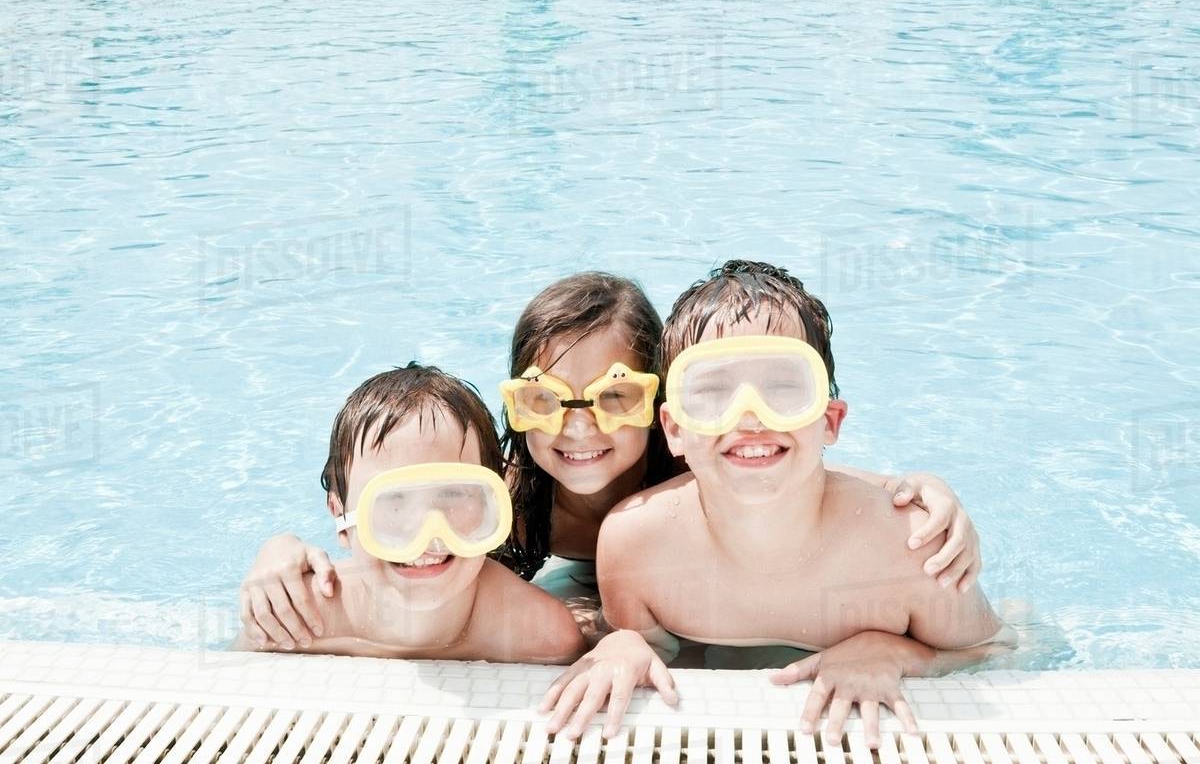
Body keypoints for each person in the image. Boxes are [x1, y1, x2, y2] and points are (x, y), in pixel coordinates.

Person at [239, 271, 983, 650]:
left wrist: (925, 491)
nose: (579, 427)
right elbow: (395, 512)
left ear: (662, 414)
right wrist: (278, 548)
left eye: (615, 399)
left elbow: (793, 471)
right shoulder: (506, 507)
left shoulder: (689, 474)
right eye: (545, 402)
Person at [541, 261, 1016, 744]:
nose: (750, 418)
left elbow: (997, 650)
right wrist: (624, 643)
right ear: (675, 428)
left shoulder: (909, 542)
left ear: (830, 419)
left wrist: (896, 653)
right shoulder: (635, 541)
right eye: (712, 391)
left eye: (784, 387)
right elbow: (657, 654)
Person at [233, 364, 585, 664]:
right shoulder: (300, 617)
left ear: (494, 506)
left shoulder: (539, 633)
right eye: (393, 501)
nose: (427, 533)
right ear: (340, 518)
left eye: (454, 494)